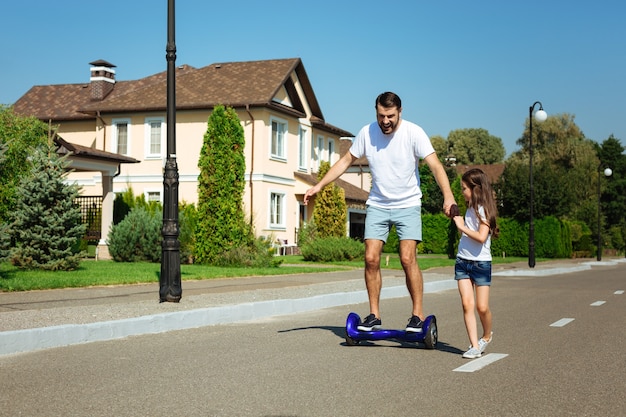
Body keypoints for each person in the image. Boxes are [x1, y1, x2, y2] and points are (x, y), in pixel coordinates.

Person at [303, 92, 456, 333]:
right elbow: (344, 161)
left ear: (400, 112)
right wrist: (319, 185)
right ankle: (374, 314)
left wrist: (448, 196)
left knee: (407, 258)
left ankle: (417, 315)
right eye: (381, 115)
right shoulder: (367, 133)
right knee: (371, 258)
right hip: (378, 203)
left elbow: (435, 166)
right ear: (376, 111)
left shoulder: (414, 133)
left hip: (408, 203)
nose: (385, 121)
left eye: (391, 116)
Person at [452, 168, 499, 359]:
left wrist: (462, 227)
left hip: (481, 264)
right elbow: (466, 233)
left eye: (464, 188)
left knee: (482, 307)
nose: (462, 191)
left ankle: (486, 336)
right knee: (466, 304)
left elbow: (481, 237)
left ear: (475, 188)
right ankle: (474, 346)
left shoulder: (484, 210)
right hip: (462, 261)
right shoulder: (470, 207)